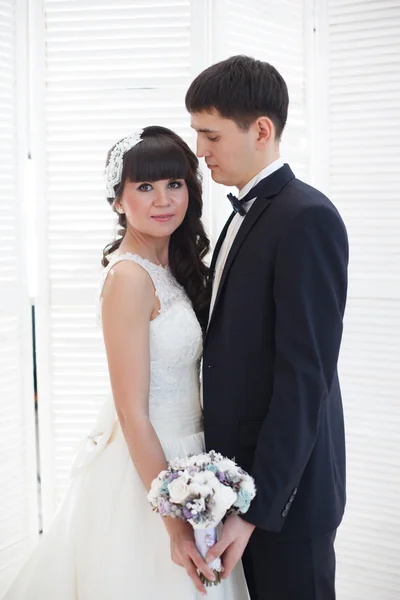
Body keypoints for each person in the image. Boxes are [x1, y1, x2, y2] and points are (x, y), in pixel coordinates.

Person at [3, 126, 249, 600]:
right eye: (145, 187)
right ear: (118, 201)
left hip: (193, 452)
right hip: (150, 464)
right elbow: (132, 412)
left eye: (174, 184)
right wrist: (174, 524)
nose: (163, 200)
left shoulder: (170, 268)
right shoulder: (130, 278)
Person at [186, 55, 349, 600]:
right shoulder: (239, 211)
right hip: (235, 484)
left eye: (210, 135)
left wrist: (254, 511)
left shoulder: (307, 217)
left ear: (262, 130)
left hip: (288, 501)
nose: (200, 151)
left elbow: (306, 378)